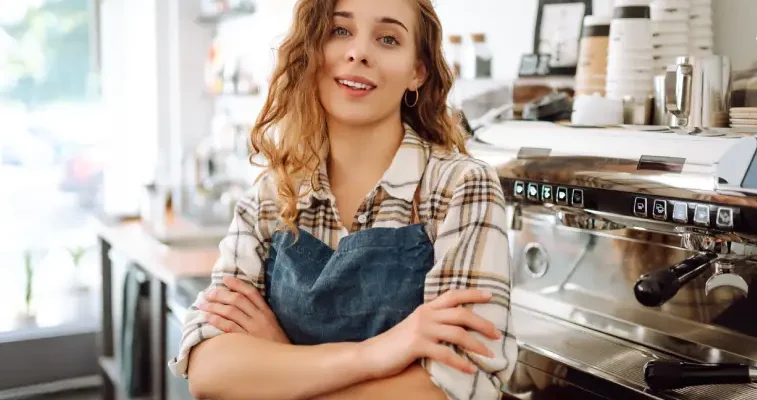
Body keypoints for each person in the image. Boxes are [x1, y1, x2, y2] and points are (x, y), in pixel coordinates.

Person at [168, 0, 517, 398]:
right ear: (312, 51)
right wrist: (374, 354)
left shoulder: (460, 188)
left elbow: (455, 385)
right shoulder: (272, 196)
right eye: (340, 31)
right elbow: (211, 371)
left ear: (417, 71)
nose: (359, 52)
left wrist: (278, 364)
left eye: (388, 39)